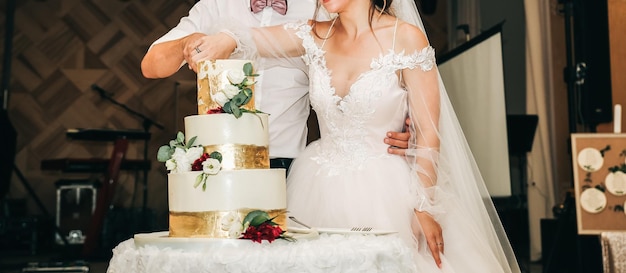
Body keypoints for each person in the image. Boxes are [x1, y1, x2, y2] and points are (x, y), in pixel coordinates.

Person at [197, 0, 522, 272]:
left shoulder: (407, 40)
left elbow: (428, 134)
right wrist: (222, 40)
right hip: (318, 186)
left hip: (389, 190)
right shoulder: (312, 35)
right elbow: (249, 38)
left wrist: (424, 207)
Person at [141, 0, 411, 171]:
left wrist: (400, 127)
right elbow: (151, 66)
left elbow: (371, 70)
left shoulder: (321, 9)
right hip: (218, 164)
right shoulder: (216, 5)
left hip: (287, 165)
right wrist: (184, 44)